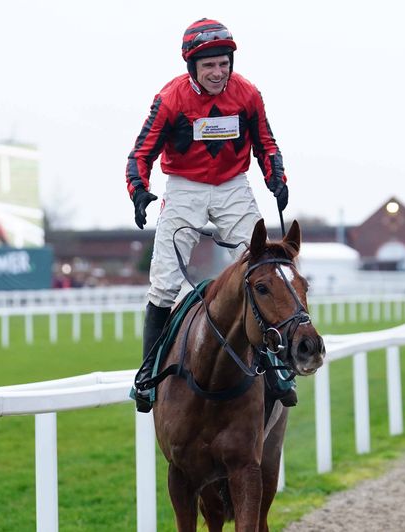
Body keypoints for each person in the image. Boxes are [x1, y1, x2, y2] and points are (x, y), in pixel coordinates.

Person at [125, 18, 290, 412]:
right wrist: (139, 191)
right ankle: (148, 374)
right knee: (163, 283)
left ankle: (275, 367)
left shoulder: (248, 94)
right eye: (209, 66)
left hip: (233, 186)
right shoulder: (170, 99)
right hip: (184, 187)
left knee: (262, 269)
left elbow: (266, 144)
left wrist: (276, 178)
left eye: (223, 64)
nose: (218, 73)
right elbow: (140, 154)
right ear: (192, 68)